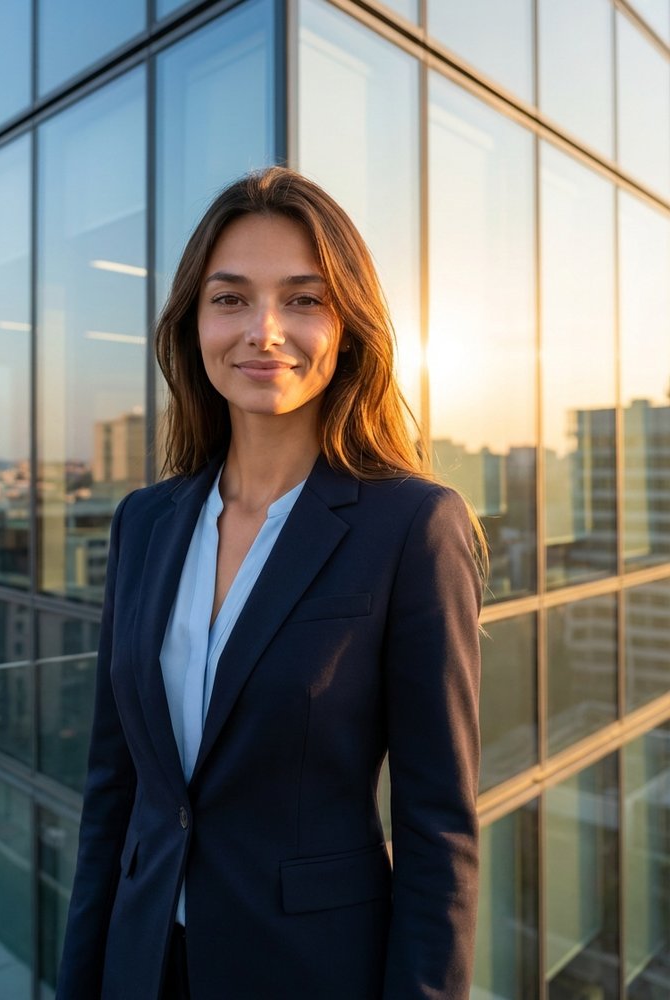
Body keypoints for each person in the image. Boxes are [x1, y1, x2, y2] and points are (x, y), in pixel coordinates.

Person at [56, 167, 484, 1000]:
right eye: (229, 299)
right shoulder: (144, 522)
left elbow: (439, 832)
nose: (263, 330)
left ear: (347, 327)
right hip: (141, 965)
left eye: (302, 299)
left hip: (310, 972)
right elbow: (115, 794)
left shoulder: (411, 526)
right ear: (193, 324)